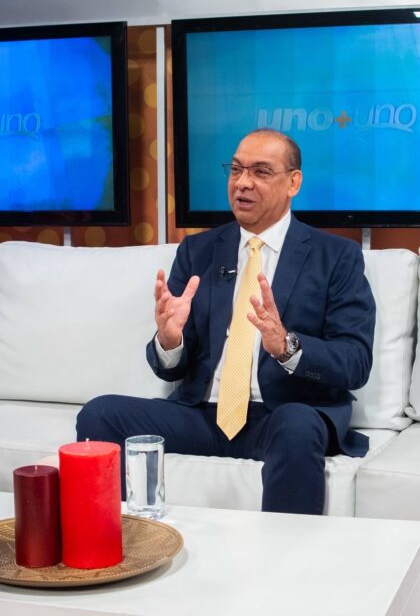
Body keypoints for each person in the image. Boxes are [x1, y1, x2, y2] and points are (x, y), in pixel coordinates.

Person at [77, 128, 376, 515]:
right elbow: (172, 368)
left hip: (280, 416)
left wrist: (287, 347)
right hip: (202, 413)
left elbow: (355, 362)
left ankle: (287, 552)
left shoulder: (336, 257)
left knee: (298, 425)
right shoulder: (198, 250)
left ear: (293, 183)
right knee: (99, 413)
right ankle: (116, 540)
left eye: (260, 172)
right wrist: (170, 341)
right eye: (235, 170)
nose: (243, 183)